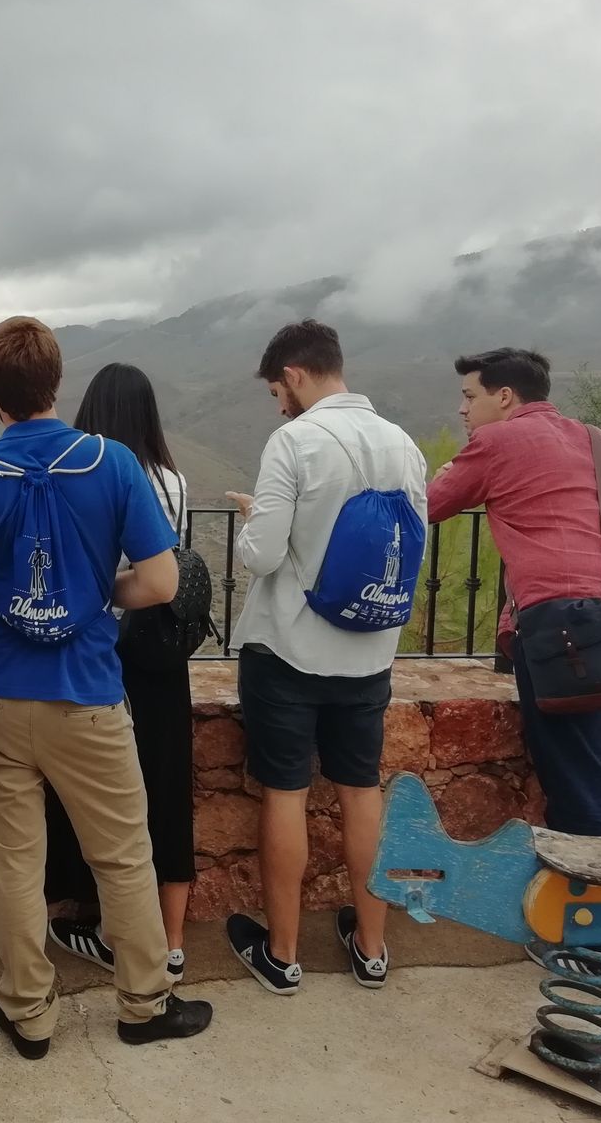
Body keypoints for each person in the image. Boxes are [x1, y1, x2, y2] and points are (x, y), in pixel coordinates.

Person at [0, 317, 213, 1060]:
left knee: (16, 863)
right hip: (85, 695)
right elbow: (160, 582)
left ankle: (29, 1014)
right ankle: (143, 1004)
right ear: (57, 381)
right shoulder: (113, 464)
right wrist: (91, 593)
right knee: (123, 856)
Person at [427, 348, 601, 974]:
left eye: (470, 396)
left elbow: (427, 505)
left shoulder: (497, 442)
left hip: (572, 636)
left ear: (505, 396)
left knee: (582, 786)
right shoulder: (594, 438)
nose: (463, 409)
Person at [223, 319, 426, 996]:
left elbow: (263, 556)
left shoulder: (295, 442)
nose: (279, 405)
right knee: (361, 792)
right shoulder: (404, 445)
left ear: (295, 375)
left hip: (288, 650)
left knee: (286, 793)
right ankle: (371, 948)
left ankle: (282, 956)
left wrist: (254, 519)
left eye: (277, 391)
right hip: (369, 653)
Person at [44, 363, 197, 983]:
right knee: (166, 789)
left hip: (101, 651)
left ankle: (104, 928)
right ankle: (172, 943)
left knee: (97, 796)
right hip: (162, 653)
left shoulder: (87, 474)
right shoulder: (173, 481)